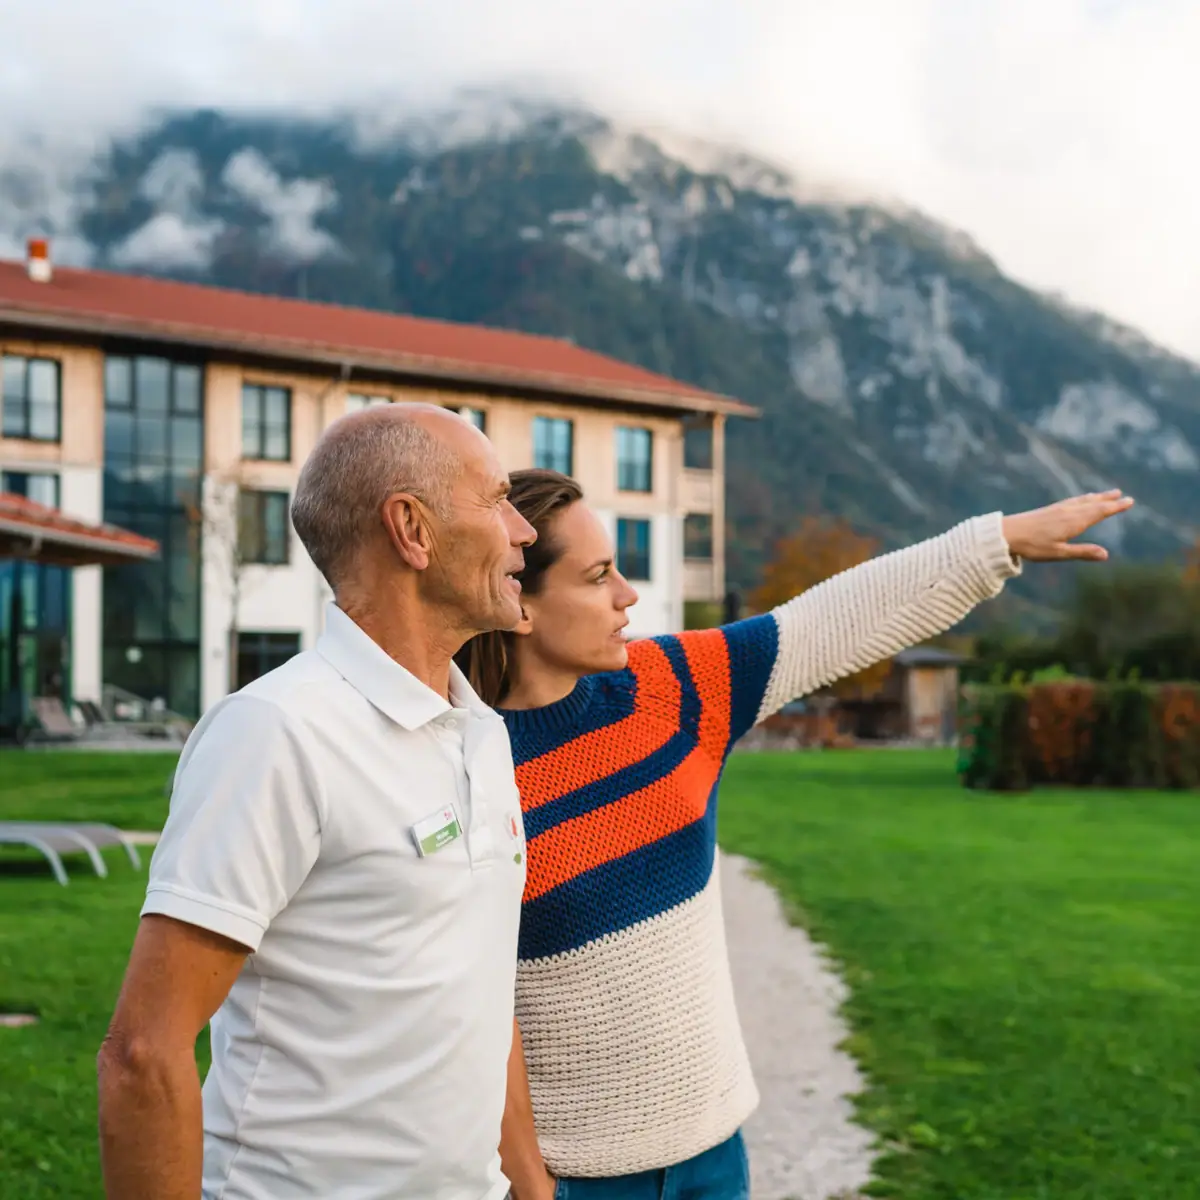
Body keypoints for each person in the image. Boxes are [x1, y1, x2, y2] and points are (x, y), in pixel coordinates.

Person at [454, 471, 1134, 1200]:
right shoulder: (466, 768)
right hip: (577, 1183)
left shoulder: (673, 690)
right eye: (597, 578)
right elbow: (470, 1008)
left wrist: (996, 543)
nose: (628, 595)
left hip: (715, 1161)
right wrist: (533, 1187)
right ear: (517, 604)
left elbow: (831, 619)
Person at [97, 404, 536, 1200]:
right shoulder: (275, 732)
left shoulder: (480, 731)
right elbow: (143, 1053)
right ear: (413, 529)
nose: (523, 531)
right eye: (497, 498)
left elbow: (473, 990)